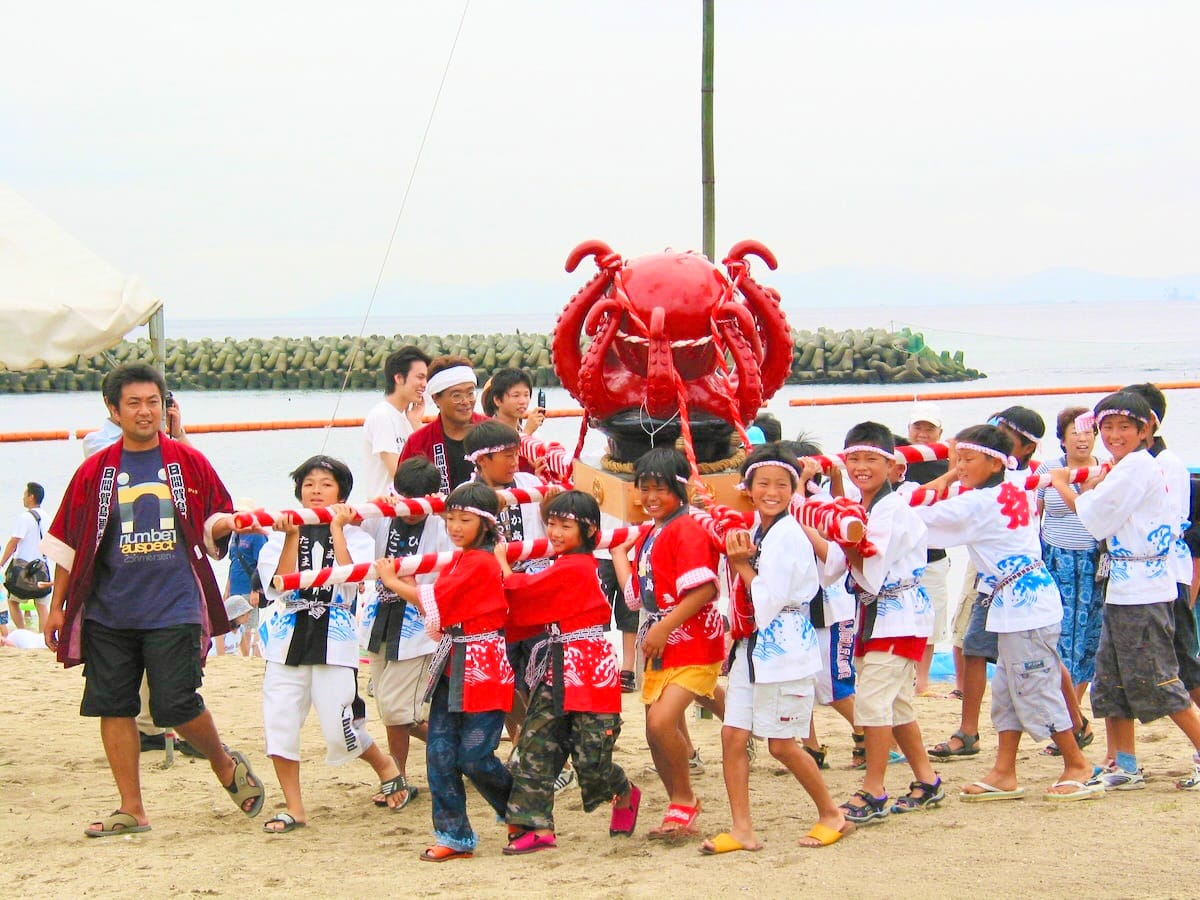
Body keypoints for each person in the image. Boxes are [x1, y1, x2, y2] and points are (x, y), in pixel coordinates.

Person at [40, 362, 266, 837]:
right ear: (113, 410)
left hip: (175, 605)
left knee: (177, 704)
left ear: (166, 406)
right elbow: (69, 541)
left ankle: (223, 762)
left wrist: (229, 523)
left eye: (154, 402)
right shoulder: (95, 471)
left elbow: (214, 520)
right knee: (113, 705)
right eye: (134, 403)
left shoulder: (188, 462)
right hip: (108, 609)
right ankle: (132, 808)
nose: (146, 412)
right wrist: (57, 605)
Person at [917, 424, 1097, 801]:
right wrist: (955, 470)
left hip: (1026, 606)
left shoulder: (978, 503)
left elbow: (916, 521)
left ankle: (1077, 762)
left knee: (1035, 685)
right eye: (956, 459)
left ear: (995, 463)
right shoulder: (1015, 483)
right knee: (1007, 689)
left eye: (967, 459)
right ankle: (1004, 770)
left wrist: (917, 492)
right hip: (1017, 599)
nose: (960, 466)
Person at [701, 445, 851, 854]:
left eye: (782, 485)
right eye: (762, 484)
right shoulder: (755, 530)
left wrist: (742, 566)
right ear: (747, 488)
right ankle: (742, 828)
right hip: (752, 647)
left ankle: (831, 813)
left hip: (784, 643)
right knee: (733, 736)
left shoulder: (788, 535)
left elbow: (771, 597)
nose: (772, 492)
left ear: (793, 489)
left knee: (782, 743)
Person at [1050, 392, 1200, 792]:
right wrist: (1094, 485)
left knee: (1160, 680)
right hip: (1122, 584)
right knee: (1111, 679)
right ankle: (1125, 762)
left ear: (1145, 430)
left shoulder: (1136, 467)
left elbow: (1093, 519)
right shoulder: (1121, 467)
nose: (1114, 435)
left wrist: (1064, 484)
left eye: (1124, 427)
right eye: (1108, 427)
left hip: (1145, 590)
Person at [255, 454, 404, 833]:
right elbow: (277, 587)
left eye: (325, 484)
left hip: (334, 635)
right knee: (280, 723)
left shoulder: (357, 536)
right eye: (309, 484)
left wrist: (338, 528)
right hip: (287, 635)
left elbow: (352, 582)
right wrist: (291, 536)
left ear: (341, 491)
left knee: (341, 727)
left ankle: (383, 764)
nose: (316, 491)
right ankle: (294, 807)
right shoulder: (278, 534)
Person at [375, 482, 515, 862]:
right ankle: (454, 835)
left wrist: (391, 581)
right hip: (454, 661)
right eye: (450, 518)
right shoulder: (463, 559)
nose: (454, 526)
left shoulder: (480, 562)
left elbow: (433, 599)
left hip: (483, 664)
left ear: (485, 524)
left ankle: (521, 808)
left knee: (474, 755)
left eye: (464, 520)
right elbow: (441, 604)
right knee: (439, 753)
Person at [497, 490, 639, 854]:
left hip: (589, 668)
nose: (555, 532)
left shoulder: (579, 567)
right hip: (555, 664)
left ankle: (622, 790)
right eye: (551, 524)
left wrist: (501, 562)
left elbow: (522, 590)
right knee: (536, 747)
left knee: (591, 758)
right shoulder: (562, 564)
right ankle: (535, 827)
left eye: (565, 525)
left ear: (590, 528)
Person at [817, 423, 942, 825]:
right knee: (896, 703)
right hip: (877, 615)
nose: (861, 467)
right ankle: (926, 779)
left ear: (892, 464)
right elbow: (836, 567)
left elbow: (867, 573)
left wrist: (839, 536)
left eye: (872, 459)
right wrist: (805, 524)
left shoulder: (892, 509)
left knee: (871, 702)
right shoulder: (864, 506)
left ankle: (874, 789)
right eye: (854, 459)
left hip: (897, 614)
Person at [610, 448, 725, 840]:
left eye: (660, 488)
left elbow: (706, 588)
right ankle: (679, 798)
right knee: (653, 729)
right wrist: (618, 554)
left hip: (692, 638)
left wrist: (662, 628)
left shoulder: (687, 528)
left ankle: (686, 797)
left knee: (661, 723)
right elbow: (636, 595)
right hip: (661, 639)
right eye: (644, 488)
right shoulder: (652, 531)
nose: (651, 497)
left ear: (681, 488)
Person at [359, 457, 449, 811]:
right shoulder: (381, 514)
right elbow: (353, 536)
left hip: (419, 627)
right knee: (393, 711)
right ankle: (451, 751)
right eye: (405, 498)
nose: (411, 510)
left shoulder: (442, 525)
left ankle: (397, 776)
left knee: (398, 711)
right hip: (379, 622)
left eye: (419, 501)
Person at [463, 420, 556, 750]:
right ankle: (523, 742)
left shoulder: (529, 482)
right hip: (492, 597)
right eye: (506, 455)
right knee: (504, 674)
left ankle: (542, 744)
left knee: (543, 670)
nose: (515, 460)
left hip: (534, 591)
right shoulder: (467, 495)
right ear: (482, 460)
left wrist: (549, 494)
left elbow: (551, 524)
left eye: (516, 453)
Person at [1035, 407, 1103, 754]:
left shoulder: (1105, 468)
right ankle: (1072, 721)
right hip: (1055, 557)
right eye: (1074, 431)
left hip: (1091, 558)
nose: (1081, 437)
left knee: (1086, 639)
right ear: (1062, 437)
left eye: (1088, 431)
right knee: (1058, 639)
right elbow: (1035, 511)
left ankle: (1072, 719)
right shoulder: (1049, 470)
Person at [902, 403, 952, 696]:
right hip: (904, 554)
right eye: (918, 427)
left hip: (934, 552)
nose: (923, 433)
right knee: (903, 619)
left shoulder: (946, 461)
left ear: (939, 432)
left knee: (931, 620)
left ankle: (922, 683)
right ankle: (907, 678)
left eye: (929, 428)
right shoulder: (898, 459)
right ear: (909, 430)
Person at [398, 355, 487, 494]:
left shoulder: (493, 432)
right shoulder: (418, 442)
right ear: (436, 398)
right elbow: (402, 492)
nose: (466, 401)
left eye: (470, 393)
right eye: (456, 396)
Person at [361, 345, 431, 501]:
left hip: (410, 510)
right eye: (420, 377)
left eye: (426, 378)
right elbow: (400, 476)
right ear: (399, 378)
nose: (424, 384)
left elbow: (428, 465)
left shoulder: (407, 418)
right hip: (386, 513)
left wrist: (416, 422)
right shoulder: (382, 415)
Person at [2, 482, 51, 630]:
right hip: (42, 568)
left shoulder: (25, 517)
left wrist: (1, 562)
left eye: (25, 494)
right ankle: (43, 637)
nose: (23, 498)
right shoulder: (47, 517)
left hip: (23, 570)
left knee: (13, 601)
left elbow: (14, 542)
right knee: (41, 606)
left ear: (31, 496)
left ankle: (23, 632)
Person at [225, 500, 267, 657]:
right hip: (235, 589)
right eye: (235, 513)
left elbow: (261, 564)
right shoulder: (235, 535)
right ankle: (242, 656)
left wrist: (255, 590)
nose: (238, 516)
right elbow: (233, 563)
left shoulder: (256, 536)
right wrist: (227, 589)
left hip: (249, 588)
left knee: (250, 625)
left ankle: (253, 657)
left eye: (241, 513)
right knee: (235, 625)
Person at [481, 367, 546, 439]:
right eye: (516, 395)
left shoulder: (534, 434)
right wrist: (527, 433)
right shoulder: (486, 434)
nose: (523, 401)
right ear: (497, 400)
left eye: (526, 395)